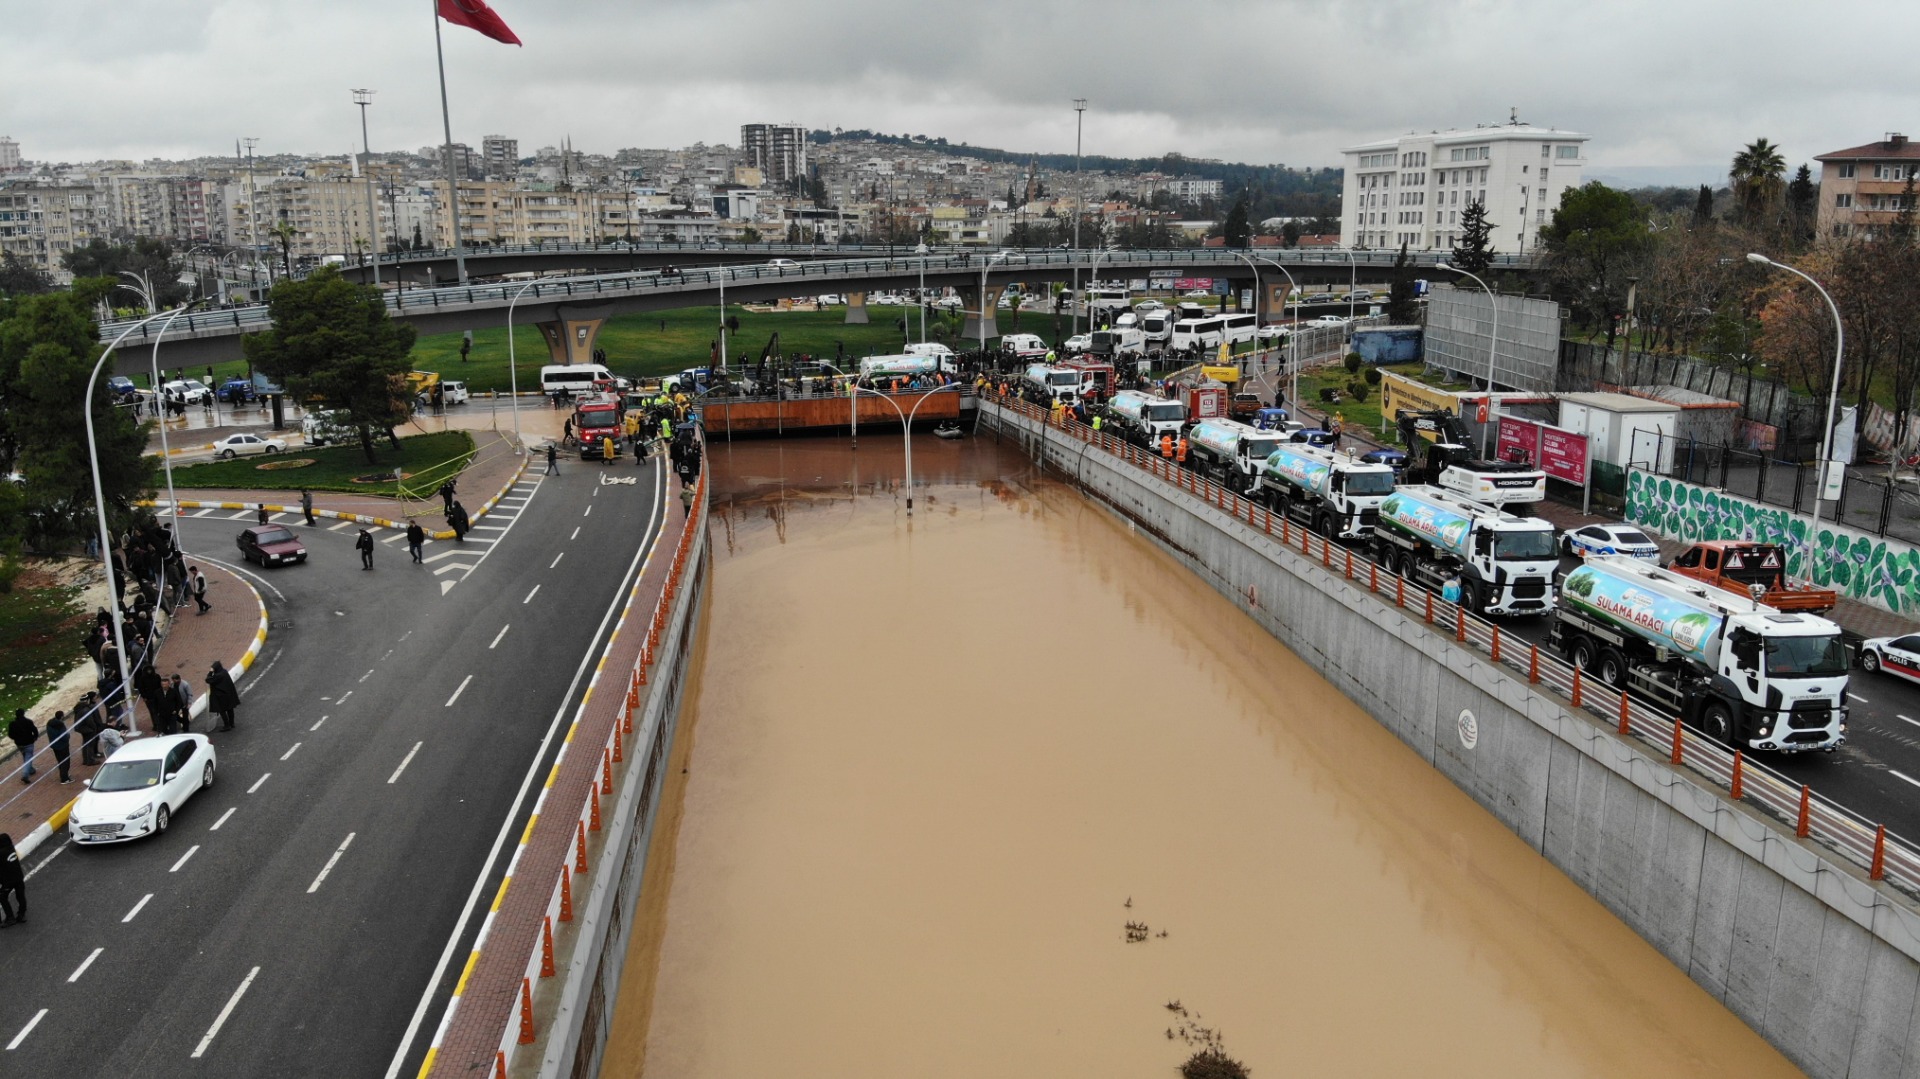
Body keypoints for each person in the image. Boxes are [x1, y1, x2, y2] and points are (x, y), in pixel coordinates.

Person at [0, 833, 25, 927]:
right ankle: (21, 914)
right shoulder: (11, 848)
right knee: (20, 896)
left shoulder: (1, 853)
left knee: (2, 897)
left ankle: (10, 918)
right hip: (19, 878)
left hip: (8, 881)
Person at [206, 660, 239, 732]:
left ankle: (227, 725)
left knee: (222, 710)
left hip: (221, 697)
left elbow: (208, 680)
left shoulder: (217, 676)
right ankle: (232, 723)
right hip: (228, 694)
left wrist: (210, 672)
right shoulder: (224, 672)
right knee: (230, 709)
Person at [7, 711, 36, 783]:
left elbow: (10, 734)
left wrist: (15, 738)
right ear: (23, 714)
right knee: (28, 757)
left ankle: (31, 769)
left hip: (19, 744)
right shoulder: (28, 722)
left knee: (25, 756)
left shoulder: (12, 724)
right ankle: (25, 774)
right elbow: (35, 731)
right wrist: (34, 738)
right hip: (28, 743)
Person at [43, 712, 70, 784]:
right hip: (63, 746)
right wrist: (68, 736)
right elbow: (64, 736)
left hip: (55, 746)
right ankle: (65, 778)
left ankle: (63, 775)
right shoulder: (60, 725)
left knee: (60, 761)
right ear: (61, 717)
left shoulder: (49, 723)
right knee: (65, 761)